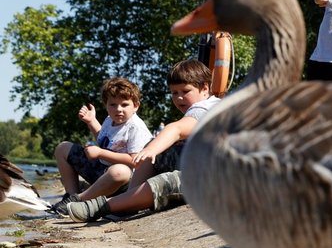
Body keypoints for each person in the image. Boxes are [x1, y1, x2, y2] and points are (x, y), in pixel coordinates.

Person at [66, 60, 221, 222]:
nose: (179, 97)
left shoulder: (204, 108)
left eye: (185, 91)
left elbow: (175, 129)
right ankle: (126, 202)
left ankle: (104, 206)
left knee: (164, 180)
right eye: (174, 93)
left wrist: (151, 150)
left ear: (204, 88)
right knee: (154, 152)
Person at [50, 77, 153, 215]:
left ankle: (79, 200)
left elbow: (136, 161)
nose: (118, 109)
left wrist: (100, 153)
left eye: (124, 104)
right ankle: (70, 195)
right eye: (113, 104)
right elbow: (104, 138)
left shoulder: (135, 127)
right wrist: (91, 121)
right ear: (106, 105)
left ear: (136, 105)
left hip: (125, 182)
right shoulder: (110, 120)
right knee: (63, 148)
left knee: (119, 171)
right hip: (102, 171)